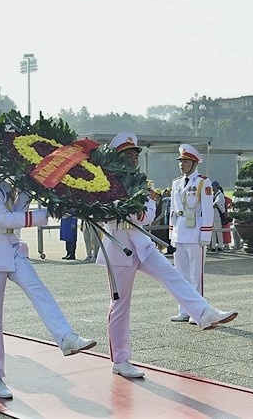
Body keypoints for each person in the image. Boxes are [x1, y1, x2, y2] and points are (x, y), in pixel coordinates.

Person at [0, 126, 96, 400]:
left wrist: (30, 189)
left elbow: (15, 211)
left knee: (38, 289)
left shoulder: (3, 183)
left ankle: (66, 337)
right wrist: (41, 216)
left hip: (12, 247)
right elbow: (4, 219)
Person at [99, 133, 237, 378]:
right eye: (128, 155)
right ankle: (120, 361)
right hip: (118, 246)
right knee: (120, 305)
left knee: (173, 275)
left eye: (135, 155)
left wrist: (136, 213)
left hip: (140, 241)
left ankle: (204, 313)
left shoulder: (141, 183)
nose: (133, 159)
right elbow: (104, 215)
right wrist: (128, 212)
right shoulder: (105, 183)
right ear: (117, 159)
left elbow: (150, 211)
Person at [168, 143, 213, 323]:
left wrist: (205, 234)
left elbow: (208, 210)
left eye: (186, 161)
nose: (182, 164)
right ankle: (183, 309)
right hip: (180, 230)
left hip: (195, 232)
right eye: (181, 161)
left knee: (196, 275)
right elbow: (172, 209)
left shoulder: (203, 182)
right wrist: (171, 232)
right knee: (180, 275)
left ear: (194, 163)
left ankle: (199, 311)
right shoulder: (176, 183)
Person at [210, 181, 226, 252]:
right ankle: (213, 246)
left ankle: (220, 246)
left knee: (218, 231)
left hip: (217, 215)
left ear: (216, 186)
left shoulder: (220, 195)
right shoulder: (213, 194)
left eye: (212, 186)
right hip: (212, 215)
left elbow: (216, 204)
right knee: (212, 232)